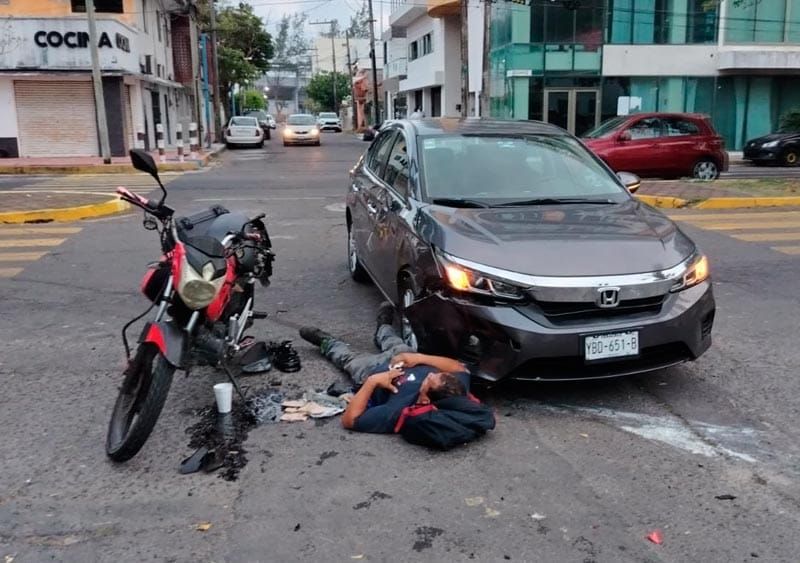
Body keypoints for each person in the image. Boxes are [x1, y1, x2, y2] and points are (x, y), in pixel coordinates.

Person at [299, 303, 470, 433]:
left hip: (373, 370)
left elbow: (350, 420)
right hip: (407, 358)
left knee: (348, 358)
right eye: (437, 374)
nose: (432, 374)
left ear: (425, 400)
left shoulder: (396, 411)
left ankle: (326, 342)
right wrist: (418, 358)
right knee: (393, 341)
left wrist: (373, 382)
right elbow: (460, 368)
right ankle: (383, 327)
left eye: (430, 380)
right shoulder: (455, 388)